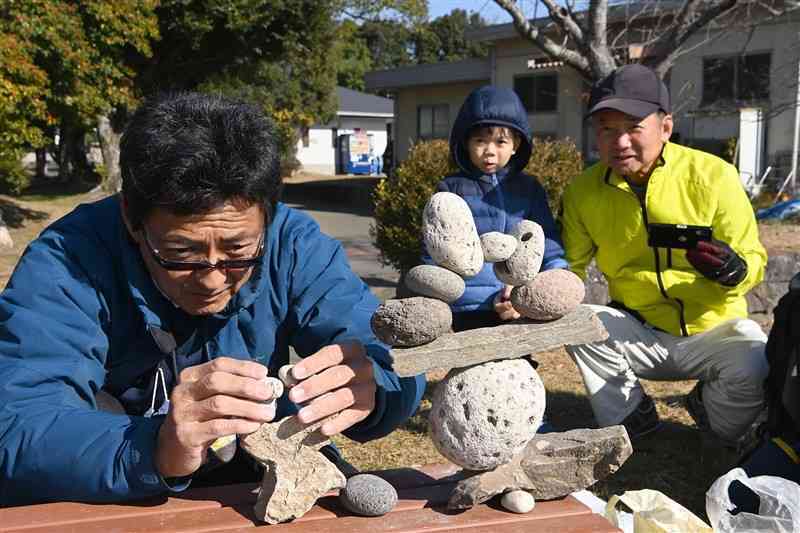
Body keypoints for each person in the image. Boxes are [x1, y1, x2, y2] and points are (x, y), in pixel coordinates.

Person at [0, 92, 425, 506]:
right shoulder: (71, 257)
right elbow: (17, 425)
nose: (211, 279)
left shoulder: (293, 245)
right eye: (181, 255)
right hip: (115, 490)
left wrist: (378, 384)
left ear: (268, 216)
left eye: (239, 252)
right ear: (131, 218)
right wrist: (152, 447)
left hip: (255, 479)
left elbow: (387, 352)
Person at [560, 64, 768, 446]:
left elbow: (754, 258)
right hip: (638, 328)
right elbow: (567, 269)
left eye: (633, 126)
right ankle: (633, 420)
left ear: (666, 127)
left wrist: (735, 269)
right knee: (579, 321)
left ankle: (709, 407)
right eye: (607, 128)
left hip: (713, 329)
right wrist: (536, 292)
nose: (619, 141)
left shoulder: (714, 176)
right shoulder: (581, 192)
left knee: (755, 360)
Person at [433, 85, 568, 332]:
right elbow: (437, 247)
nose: (490, 151)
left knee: (518, 365)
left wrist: (552, 276)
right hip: (468, 304)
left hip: (518, 299)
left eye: (501, 141)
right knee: (473, 366)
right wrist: (434, 294)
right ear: (465, 143)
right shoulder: (451, 188)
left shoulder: (529, 188)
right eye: (480, 141)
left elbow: (545, 242)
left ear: (516, 144)